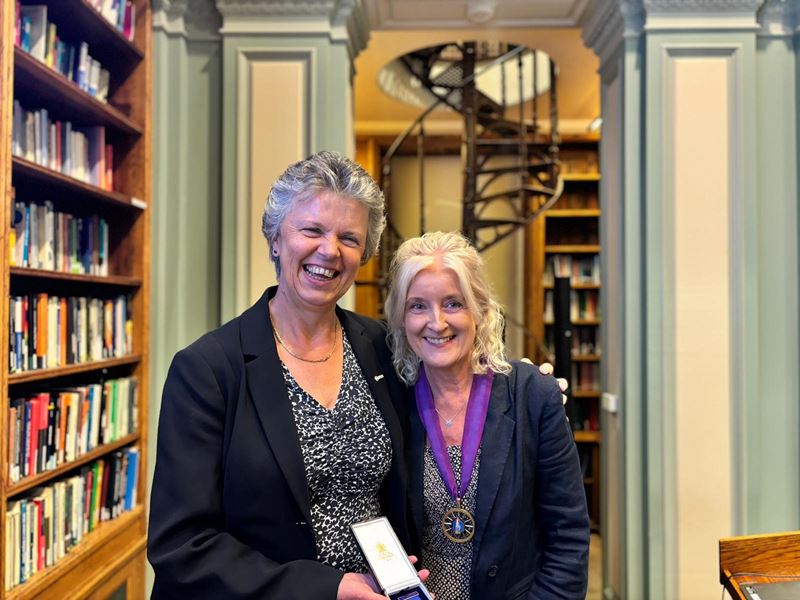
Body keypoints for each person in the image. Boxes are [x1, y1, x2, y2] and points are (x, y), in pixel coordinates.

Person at [148, 151, 416, 599]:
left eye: (349, 238)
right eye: (312, 230)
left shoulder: (383, 347)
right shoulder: (207, 370)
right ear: (275, 238)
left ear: (364, 254)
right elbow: (182, 546)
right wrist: (327, 588)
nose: (329, 251)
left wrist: (522, 387)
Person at [384, 231, 590, 600]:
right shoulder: (390, 399)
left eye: (452, 303)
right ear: (400, 317)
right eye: (418, 306)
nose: (436, 322)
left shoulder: (533, 395)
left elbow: (567, 539)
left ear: (479, 308)